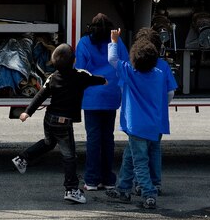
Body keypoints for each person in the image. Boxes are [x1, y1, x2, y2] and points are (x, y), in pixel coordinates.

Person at [11, 43, 107, 204]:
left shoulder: (52, 77)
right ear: (74, 61)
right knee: (70, 156)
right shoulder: (80, 76)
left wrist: (27, 112)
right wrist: (104, 80)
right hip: (63, 122)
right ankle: (71, 190)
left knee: (49, 142)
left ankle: (23, 158)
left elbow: (40, 96)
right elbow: (94, 79)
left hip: (49, 119)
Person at [107, 29, 167, 210]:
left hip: (136, 127)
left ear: (134, 59)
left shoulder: (130, 73)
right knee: (129, 156)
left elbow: (112, 60)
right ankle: (123, 189)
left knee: (139, 162)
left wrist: (114, 41)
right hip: (153, 126)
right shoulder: (159, 75)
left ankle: (149, 194)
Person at [75, 13, 128, 191]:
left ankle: (91, 180)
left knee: (93, 139)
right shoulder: (116, 42)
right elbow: (125, 63)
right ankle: (109, 179)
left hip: (91, 98)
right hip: (111, 95)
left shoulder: (84, 42)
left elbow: (79, 70)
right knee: (108, 139)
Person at [133, 27, 178, 195]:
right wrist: (160, 107)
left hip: (138, 120)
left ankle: (141, 184)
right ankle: (156, 183)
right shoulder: (163, 65)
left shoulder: (134, 65)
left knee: (139, 154)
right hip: (158, 119)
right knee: (154, 150)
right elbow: (170, 92)